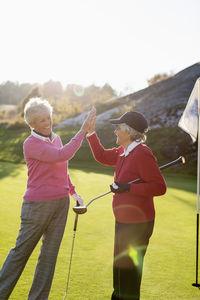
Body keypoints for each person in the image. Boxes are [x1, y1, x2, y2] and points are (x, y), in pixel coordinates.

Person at [0, 98, 96, 300]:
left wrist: (73, 193)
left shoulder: (56, 138)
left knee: (49, 257)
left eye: (48, 117)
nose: (47, 122)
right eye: (41, 120)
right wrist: (82, 131)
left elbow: (62, 169)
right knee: (20, 254)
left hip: (61, 203)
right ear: (32, 124)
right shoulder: (31, 144)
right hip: (37, 206)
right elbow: (62, 155)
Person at [86, 110, 167, 300]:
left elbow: (159, 187)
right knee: (120, 269)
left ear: (128, 132)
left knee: (129, 275)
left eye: (117, 128)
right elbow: (101, 156)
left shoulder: (142, 153)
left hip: (138, 224)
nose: (115, 131)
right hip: (123, 221)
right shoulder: (124, 151)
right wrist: (90, 133)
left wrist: (129, 189)